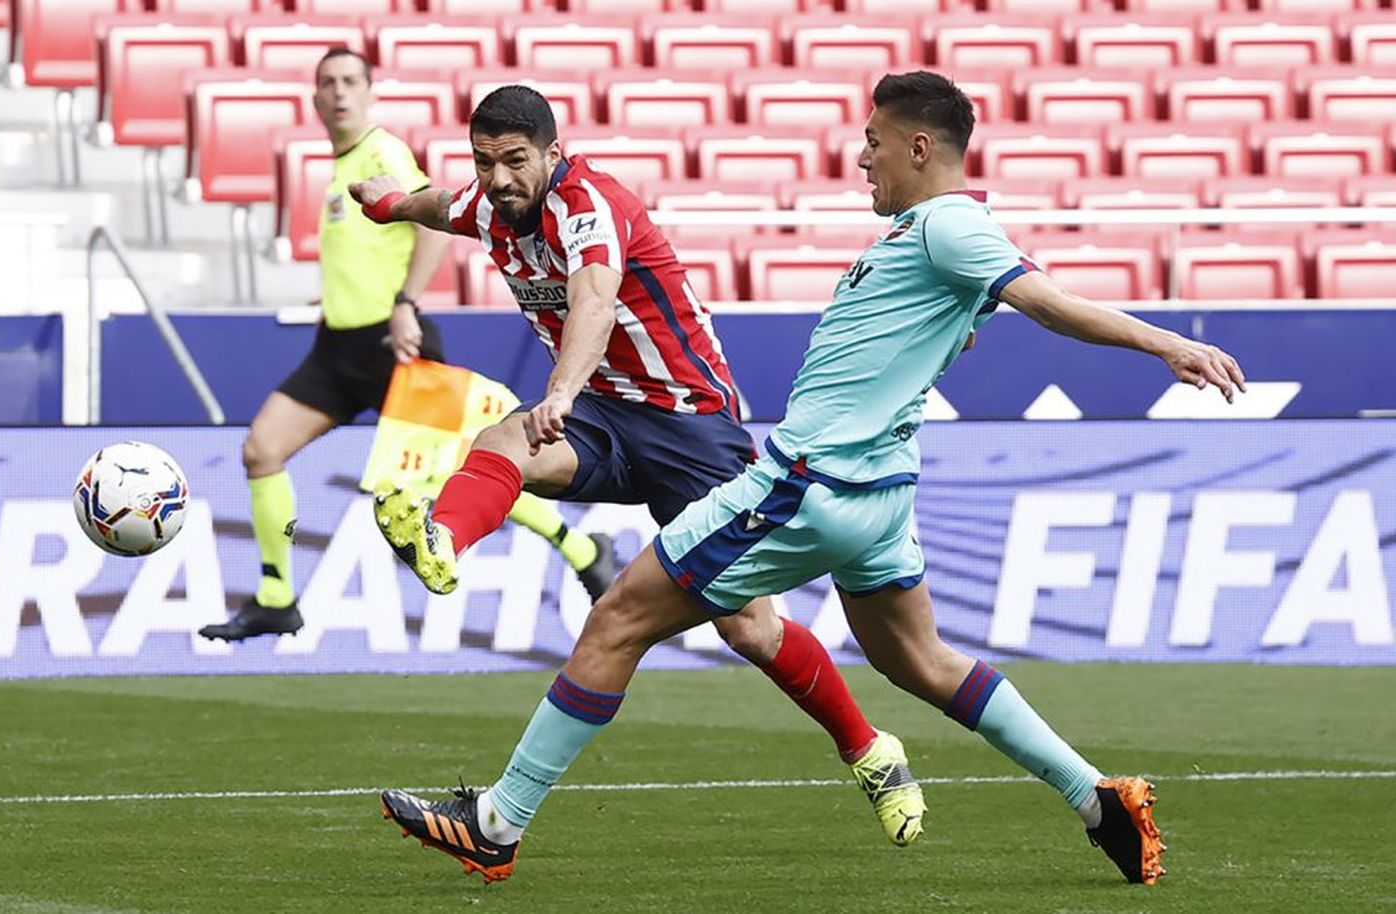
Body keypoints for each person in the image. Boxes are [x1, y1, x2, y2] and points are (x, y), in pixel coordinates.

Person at [374, 71, 1248, 886]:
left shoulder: (951, 223)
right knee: (922, 662)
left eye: (873, 139)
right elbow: (952, 323)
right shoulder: (920, 242)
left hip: (808, 482)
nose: (859, 154)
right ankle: (1097, 799)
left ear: (917, 147)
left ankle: (499, 820)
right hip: (877, 500)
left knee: (619, 617)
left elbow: (1046, 299)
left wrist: (1167, 343)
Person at [350, 85, 926, 846]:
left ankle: (870, 750)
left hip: (688, 424)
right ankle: (443, 544)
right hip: (605, 416)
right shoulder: (491, 205)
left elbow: (593, 297)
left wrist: (560, 390)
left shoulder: (591, 204)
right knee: (501, 445)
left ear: (554, 153)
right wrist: (389, 203)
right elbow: (436, 205)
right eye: (484, 162)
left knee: (749, 630)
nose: (498, 178)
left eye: (515, 161)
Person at [200, 52, 610, 642]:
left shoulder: (381, 152)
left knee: (455, 474)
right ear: (314, 99)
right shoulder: (340, 165)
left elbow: (432, 229)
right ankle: (275, 597)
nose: (339, 93)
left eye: (350, 82)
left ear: (370, 93)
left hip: (395, 345)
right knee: (261, 449)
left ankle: (579, 547)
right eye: (328, 84)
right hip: (338, 348)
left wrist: (405, 303)